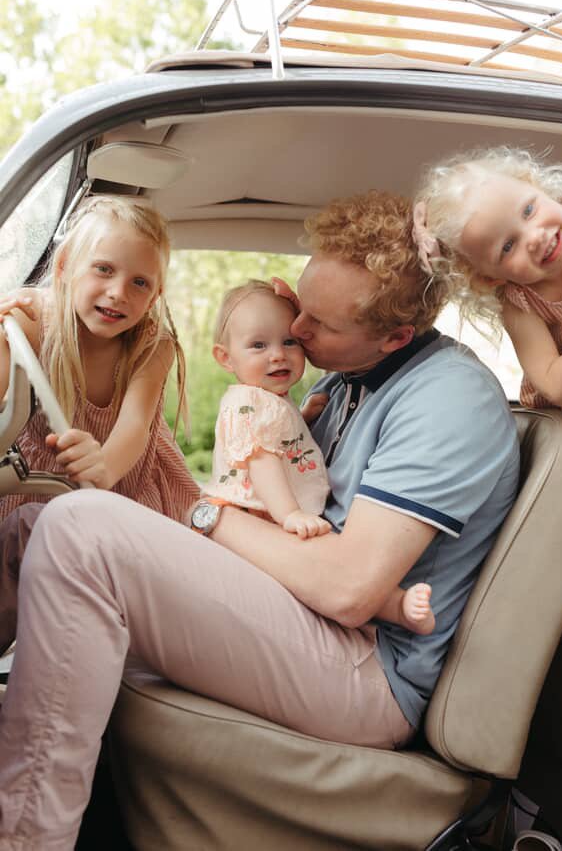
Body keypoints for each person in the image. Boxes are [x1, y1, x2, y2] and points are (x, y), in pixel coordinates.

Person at [0, 189, 520, 850]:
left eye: (319, 325)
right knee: (33, 525)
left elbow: (348, 590)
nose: (296, 331)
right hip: (309, 621)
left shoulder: (447, 400)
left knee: (80, 528)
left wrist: (203, 514)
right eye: (300, 304)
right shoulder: (343, 382)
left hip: (367, 669)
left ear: (395, 335)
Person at [205, 278, 435, 633]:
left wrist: (304, 417)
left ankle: (399, 607)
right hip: (262, 515)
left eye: (289, 341)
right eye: (258, 345)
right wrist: (290, 514)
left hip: (273, 515)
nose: (277, 354)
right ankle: (397, 608)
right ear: (225, 357)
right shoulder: (249, 402)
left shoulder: (271, 401)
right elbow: (263, 462)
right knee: (327, 564)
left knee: (341, 569)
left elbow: (282, 442)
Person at [0, 196, 199, 522]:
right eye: (104, 269)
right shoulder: (31, 319)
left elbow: (135, 425)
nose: (119, 292)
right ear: (64, 267)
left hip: (126, 481)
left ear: (154, 297)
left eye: (139, 283)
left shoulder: (152, 344)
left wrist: (104, 466)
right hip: (40, 486)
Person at [413, 145, 562, 419]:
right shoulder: (518, 302)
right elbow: (555, 385)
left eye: (529, 210)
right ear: (489, 277)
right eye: (507, 246)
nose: (535, 237)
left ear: (539, 187)